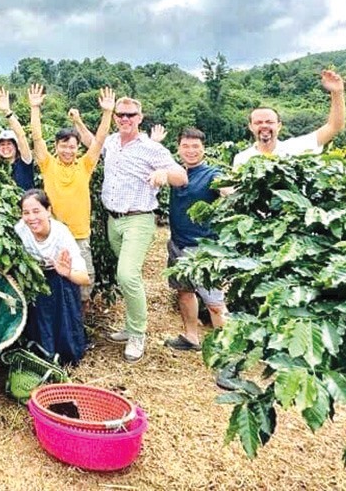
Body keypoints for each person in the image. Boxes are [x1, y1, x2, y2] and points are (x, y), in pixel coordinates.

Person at [101, 96, 188, 363]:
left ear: (140, 118)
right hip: (113, 220)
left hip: (139, 218)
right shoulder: (110, 142)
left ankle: (138, 334)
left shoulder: (152, 148)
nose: (125, 119)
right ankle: (129, 326)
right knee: (128, 277)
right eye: (121, 115)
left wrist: (164, 175)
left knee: (127, 275)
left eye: (130, 115)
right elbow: (89, 144)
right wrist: (79, 121)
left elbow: (181, 176)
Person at [28, 83, 115, 302]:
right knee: (55, 286)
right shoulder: (48, 165)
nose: (68, 151)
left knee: (83, 289)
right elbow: (37, 139)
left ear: (78, 148)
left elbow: (100, 140)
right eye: (63, 146)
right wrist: (35, 108)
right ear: (56, 146)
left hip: (79, 236)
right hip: (53, 237)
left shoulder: (85, 165)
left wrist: (107, 112)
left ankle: (78, 328)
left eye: (72, 147)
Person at [164, 128, 228, 352]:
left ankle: (224, 348)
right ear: (179, 148)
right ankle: (191, 337)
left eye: (195, 147)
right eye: (186, 146)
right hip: (177, 243)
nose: (190, 151)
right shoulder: (175, 171)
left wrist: (230, 191)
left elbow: (225, 187)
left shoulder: (212, 174)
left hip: (203, 248)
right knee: (184, 291)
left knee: (214, 300)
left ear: (203, 149)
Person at [14, 190, 90, 365]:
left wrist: (67, 272)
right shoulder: (20, 230)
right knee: (38, 310)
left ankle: (65, 352)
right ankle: (39, 351)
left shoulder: (61, 234)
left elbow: (85, 278)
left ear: (48, 211)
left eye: (37, 211)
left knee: (61, 305)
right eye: (26, 213)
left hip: (61, 278)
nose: (31, 217)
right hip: (36, 277)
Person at [233, 69, 346, 169]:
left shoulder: (296, 148)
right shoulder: (242, 159)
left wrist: (337, 93)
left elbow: (334, 126)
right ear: (251, 127)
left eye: (269, 122)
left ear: (279, 125)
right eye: (258, 122)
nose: (264, 126)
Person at [0, 86, 35, 190]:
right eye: (2, 144)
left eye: (9, 144)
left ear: (16, 147)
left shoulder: (25, 162)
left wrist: (7, 112)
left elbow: (21, 136)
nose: (5, 147)